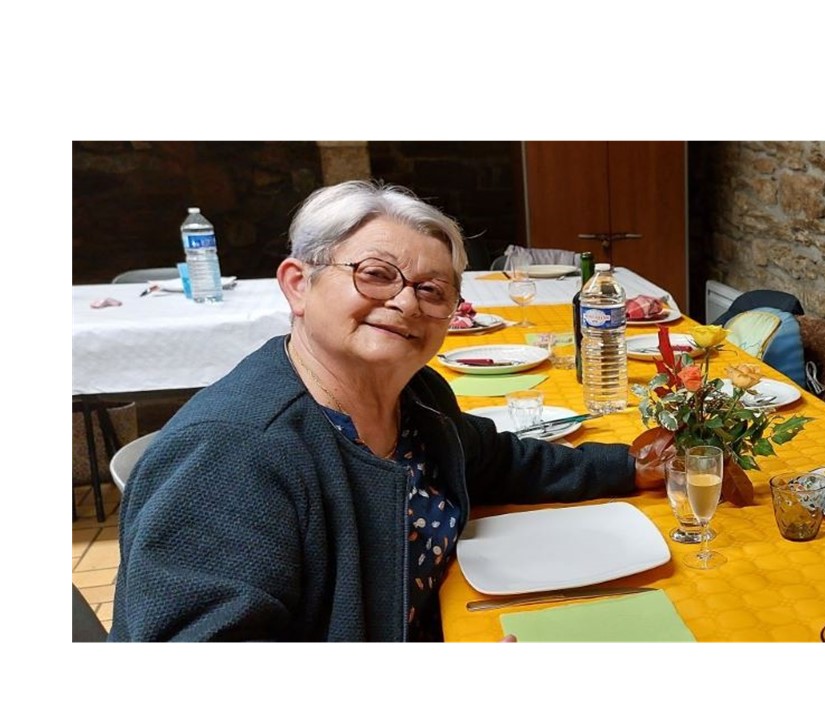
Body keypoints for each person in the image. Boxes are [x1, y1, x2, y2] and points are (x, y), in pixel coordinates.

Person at [110, 180, 661, 641]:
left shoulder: (416, 397)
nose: (404, 302)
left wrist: (627, 467)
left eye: (432, 290)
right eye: (375, 274)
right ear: (298, 285)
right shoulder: (233, 454)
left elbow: (495, 460)